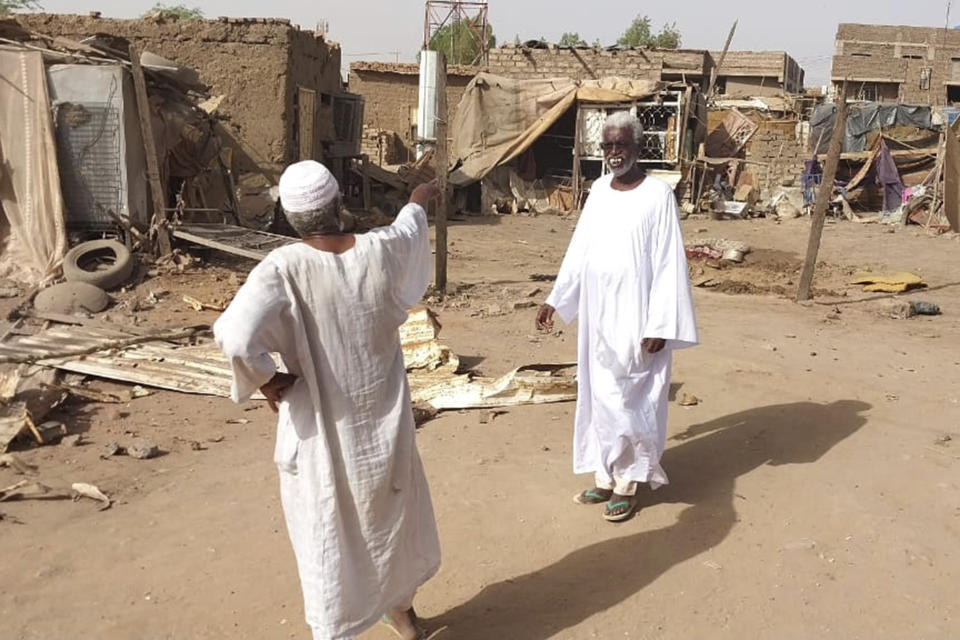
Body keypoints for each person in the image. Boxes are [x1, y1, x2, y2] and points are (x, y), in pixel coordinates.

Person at [214, 160, 441, 640]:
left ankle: (359, 623)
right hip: (383, 425)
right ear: (338, 204)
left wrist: (268, 380)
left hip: (320, 432)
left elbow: (234, 336)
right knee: (391, 519)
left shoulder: (282, 268)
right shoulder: (378, 251)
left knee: (328, 534)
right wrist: (418, 198)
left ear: (291, 218)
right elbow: (408, 226)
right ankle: (402, 613)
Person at [536, 111, 698, 523]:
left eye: (620, 145)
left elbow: (668, 265)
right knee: (599, 397)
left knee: (631, 398)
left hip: (637, 317)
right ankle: (605, 475)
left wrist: (661, 325)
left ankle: (628, 482)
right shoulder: (599, 190)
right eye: (606, 145)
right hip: (598, 317)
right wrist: (556, 299)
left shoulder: (658, 196)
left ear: (638, 147)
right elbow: (580, 250)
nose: (612, 153)